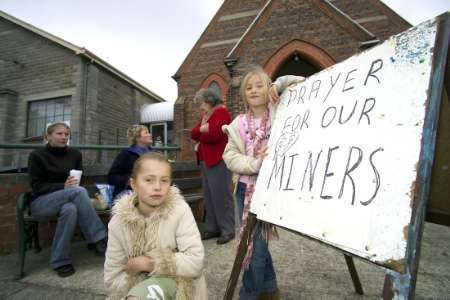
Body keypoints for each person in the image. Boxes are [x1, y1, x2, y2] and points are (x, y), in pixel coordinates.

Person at [222, 67, 304, 299]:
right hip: (245, 189)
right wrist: (255, 164)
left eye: (259, 85)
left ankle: (252, 293)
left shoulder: (280, 109)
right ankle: (267, 289)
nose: (254, 90)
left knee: (256, 244)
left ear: (268, 87)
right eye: (249, 88)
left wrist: (278, 86)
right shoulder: (238, 123)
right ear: (243, 95)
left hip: (271, 188)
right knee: (254, 244)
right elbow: (229, 156)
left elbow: (300, 80)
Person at [104, 152, 207, 299]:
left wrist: (150, 263)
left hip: (178, 284)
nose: (157, 187)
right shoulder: (118, 222)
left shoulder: (179, 211)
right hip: (132, 287)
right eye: (148, 180)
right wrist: (136, 287)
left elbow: (195, 262)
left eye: (164, 180)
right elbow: (112, 276)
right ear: (133, 184)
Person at [28, 122, 108, 277]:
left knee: (70, 209)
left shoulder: (75, 154)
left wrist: (71, 186)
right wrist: (62, 187)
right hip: (42, 202)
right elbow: (37, 187)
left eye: (66, 134)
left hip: (69, 198)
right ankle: (99, 238)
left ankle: (60, 261)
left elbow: (79, 179)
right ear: (47, 136)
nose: (64, 137)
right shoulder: (37, 155)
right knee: (78, 192)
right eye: (59, 134)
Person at [191, 89, 235, 245]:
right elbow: (193, 133)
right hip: (205, 160)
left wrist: (203, 132)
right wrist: (203, 129)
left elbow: (215, 134)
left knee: (221, 196)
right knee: (209, 196)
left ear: (209, 101)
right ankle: (213, 228)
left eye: (200, 104)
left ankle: (227, 230)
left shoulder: (221, 113)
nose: (199, 108)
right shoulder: (206, 116)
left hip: (218, 159)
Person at [108, 125, 153, 200]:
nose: (150, 135)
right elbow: (112, 177)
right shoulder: (126, 154)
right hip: (129, 191)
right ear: (138, 138)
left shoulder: (155, 154)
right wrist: (128, 180)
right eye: (146, 133)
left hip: (151, 189)